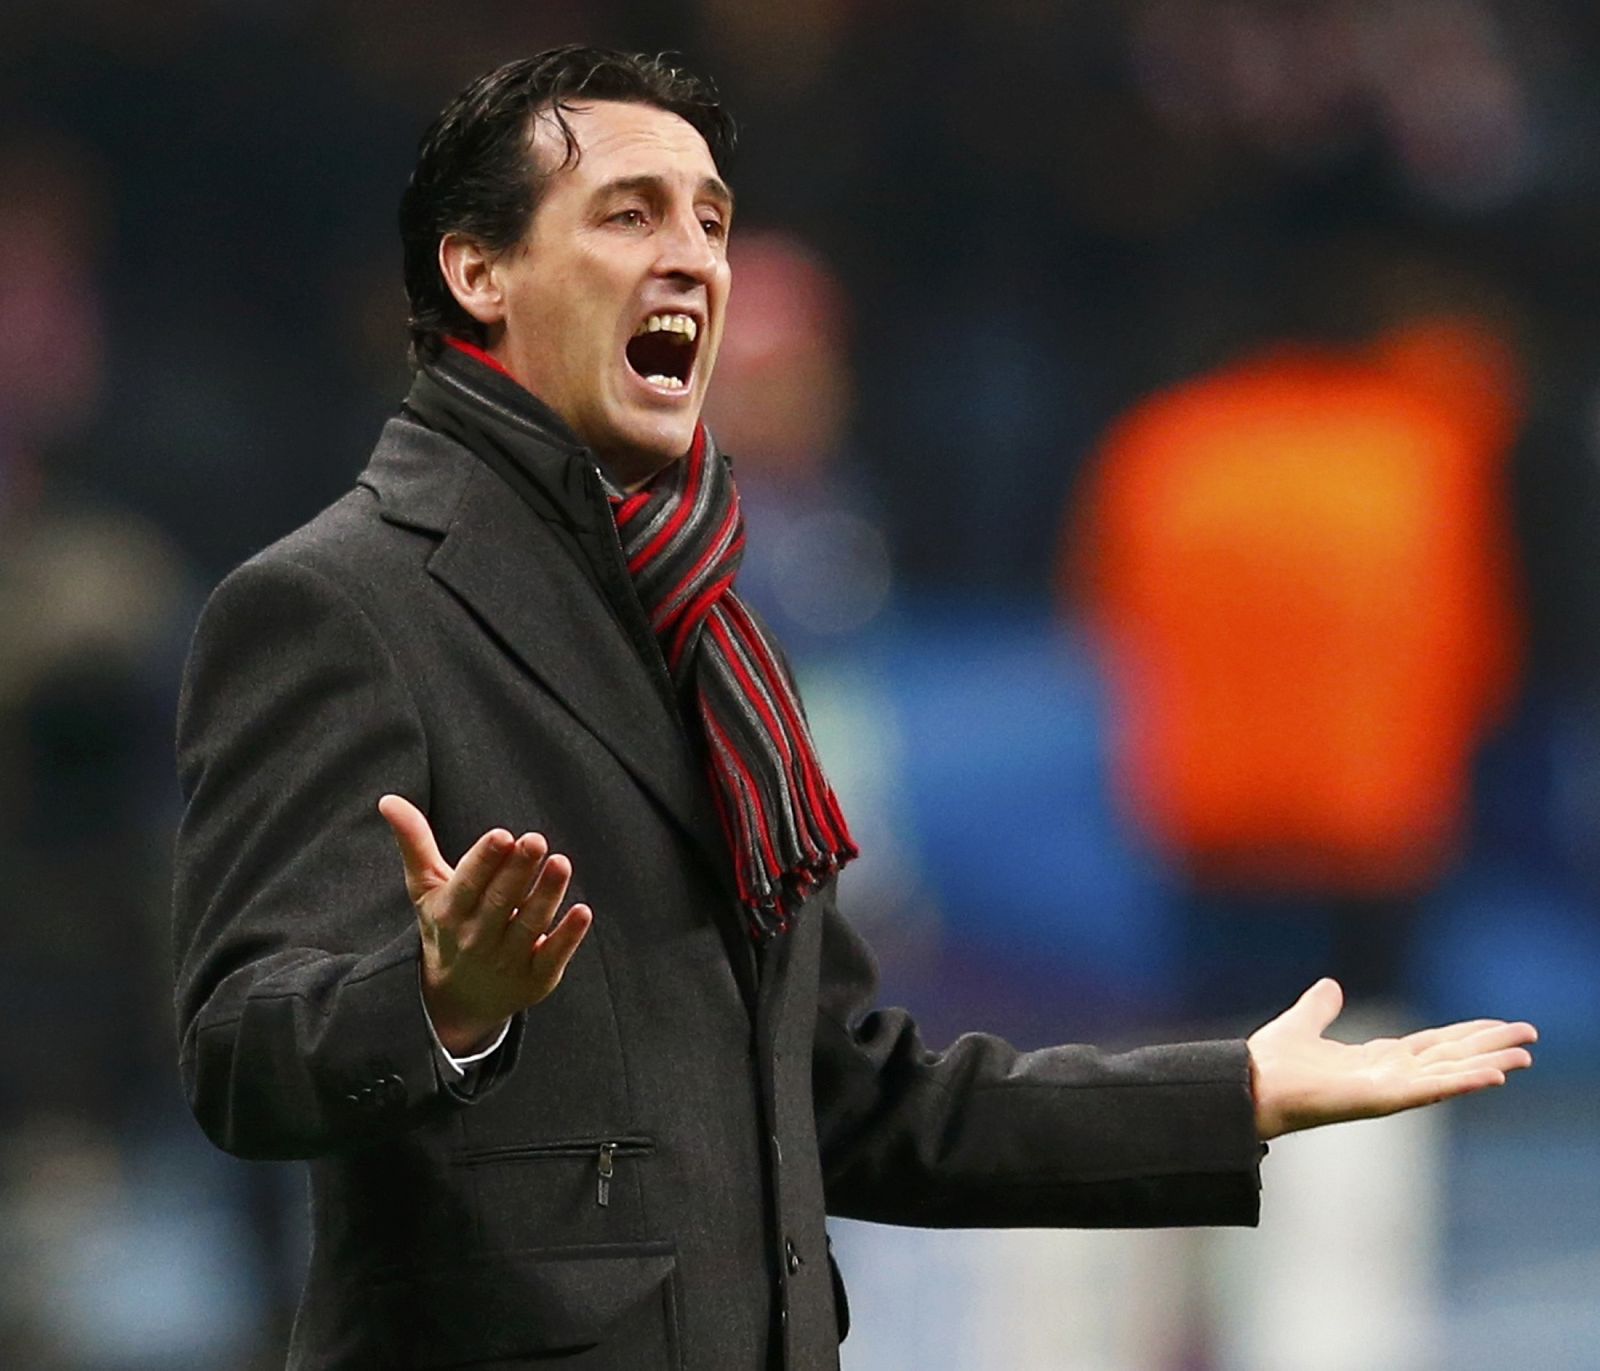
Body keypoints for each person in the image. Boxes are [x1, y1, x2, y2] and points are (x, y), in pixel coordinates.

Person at [171, 47, 1537, 1371]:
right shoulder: (338, 603)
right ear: (479, 272)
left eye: (710, 220)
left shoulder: (699, 610)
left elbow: (857, 1099)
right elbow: (242, 1057)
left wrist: (1226, 1098)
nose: (691, 256)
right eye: (630, 214)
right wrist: (439, 1005)